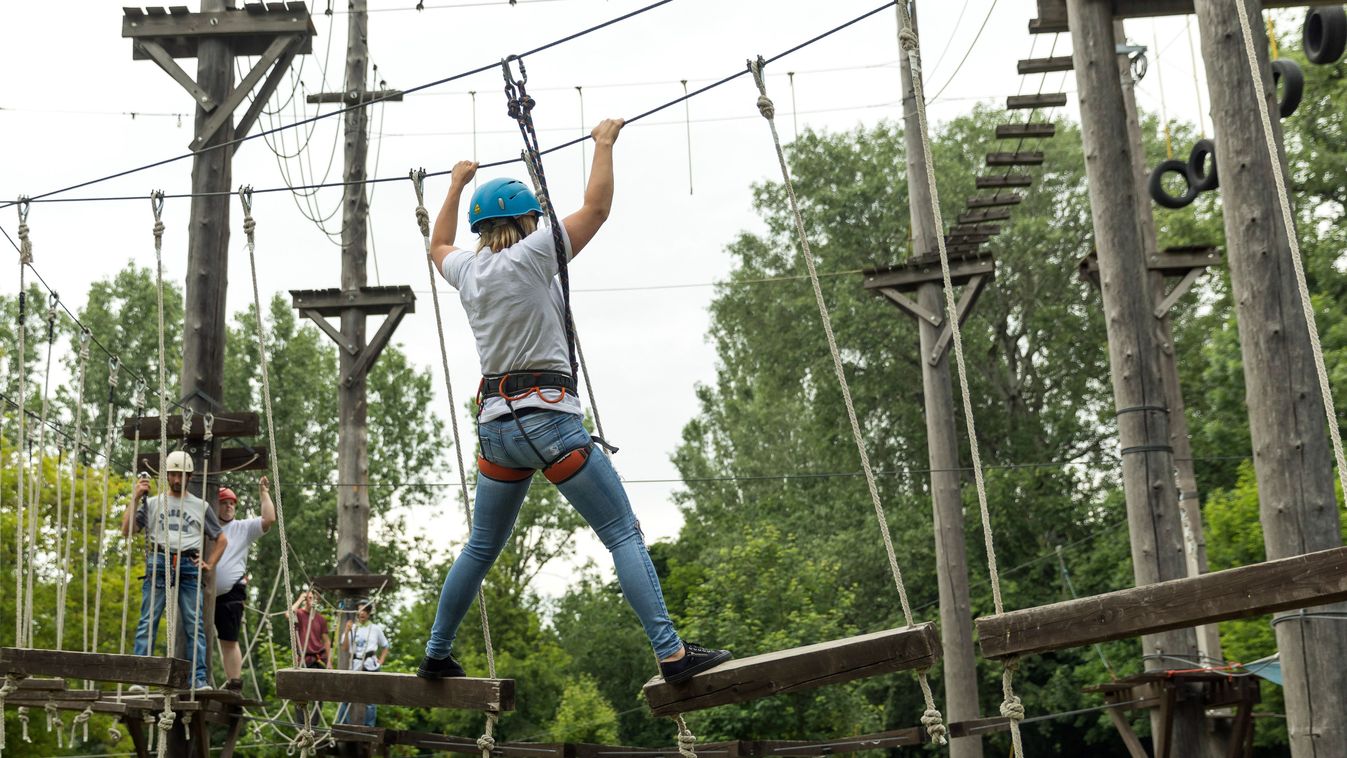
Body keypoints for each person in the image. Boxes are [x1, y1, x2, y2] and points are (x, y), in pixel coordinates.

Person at [417, 119, 730, 685]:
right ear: (526, 221)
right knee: (622, 533)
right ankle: (672, 653)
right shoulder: (536, 254)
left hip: (497, 430)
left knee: (482, 547)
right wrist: (604, 145)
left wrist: (454, 185)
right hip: (550, 421)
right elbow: (596, 208)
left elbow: (438, 244)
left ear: (483, 228)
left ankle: (437, 651)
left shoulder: (469, 270)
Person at [121, 450, 226, 690]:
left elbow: (221, 539)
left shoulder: (201, 506)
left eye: (181, 475)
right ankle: (142, 677)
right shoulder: (154, 503)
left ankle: (198, 678)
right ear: (167, 476)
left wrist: (209, 564)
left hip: (188, 563)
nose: (177, 480)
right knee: (149, 619)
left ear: (189, 476)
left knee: (194, 624)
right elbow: (127, 530)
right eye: (173, 475)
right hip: (160, 559)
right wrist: (136, 497)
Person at [212, 477, 276, 692]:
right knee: (197, 637)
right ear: (214, 504)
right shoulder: (205, 527)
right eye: (224, 502)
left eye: (232, 503)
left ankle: (234, 683)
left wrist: (263, 493)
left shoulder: (242, 528)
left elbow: (268, 519)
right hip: (203, 591)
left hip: (230, 594)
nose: (229, 506)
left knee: (228, 640)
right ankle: (196, 677)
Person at [336, 601, 389, 727]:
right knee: (347, 697)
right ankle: (343, 724)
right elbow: (344, 648)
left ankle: (369, 727)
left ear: (369, 613)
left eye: (365, 610)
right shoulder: (353, 628)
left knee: (370, 700)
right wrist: (347, 631)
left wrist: (380, 661)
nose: (362, 613)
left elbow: (386, 646)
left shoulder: (375, 629)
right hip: (355, 665)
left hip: (370, 665)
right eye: (360, 610)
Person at [289, 588, 331, 727]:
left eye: (313, 598)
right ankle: (302, 725)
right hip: (303, 659)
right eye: (309, 597)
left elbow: (326, 640)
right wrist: (300, 599)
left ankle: (314, 726)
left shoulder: (320, 618)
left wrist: (329, 661)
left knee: (319, 695)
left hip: (318, 658)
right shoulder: (300, 614)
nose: (311, 600)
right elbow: (288, 614)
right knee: (299, 693)